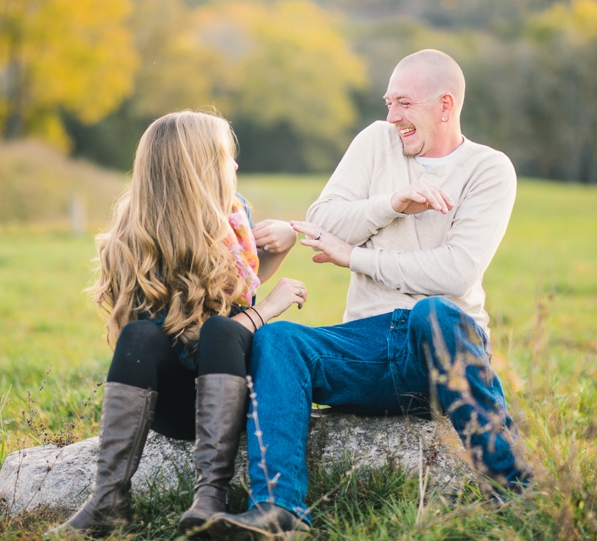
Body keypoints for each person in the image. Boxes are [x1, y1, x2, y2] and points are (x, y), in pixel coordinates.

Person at [209, 49, 532, 539]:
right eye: (388, 103)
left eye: (404, 103)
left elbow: (455, 273)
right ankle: (279, 511)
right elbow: (323, 223)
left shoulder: (489, 169)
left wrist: (355, 257)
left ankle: (517, 497)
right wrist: (391, 204)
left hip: (441, 347)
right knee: (280, 341)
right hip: (366, 346)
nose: (392, 116)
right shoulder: (376, 142)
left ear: (445, 106)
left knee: (435, 311)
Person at [47, 110, 307, 537]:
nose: (236, 165)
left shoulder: (236, 219)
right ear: (196, 169)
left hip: (228, 398)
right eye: (227, 156)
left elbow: (230, 302)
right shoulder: (136, 235)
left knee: (221, 330)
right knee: (140, 334)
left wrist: (284, 245)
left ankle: (210, 497)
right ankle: (108, 500)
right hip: (172, 404)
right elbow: (184, 328)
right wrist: (267, 310)